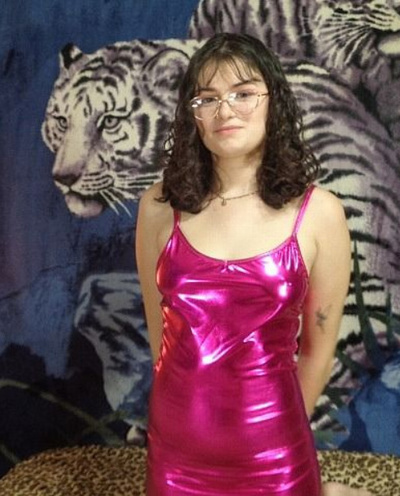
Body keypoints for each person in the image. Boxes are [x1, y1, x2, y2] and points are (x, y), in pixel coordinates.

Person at [136, 32, 368, 496]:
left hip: (276, 459)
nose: (225, 110)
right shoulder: (158, 207)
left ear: (273, 101)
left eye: (243, 93)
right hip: (176, 458)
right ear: (192, 115)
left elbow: (318, 352)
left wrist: (274, 431)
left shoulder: (319, 213)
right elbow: (160, 342)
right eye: (207, 98)